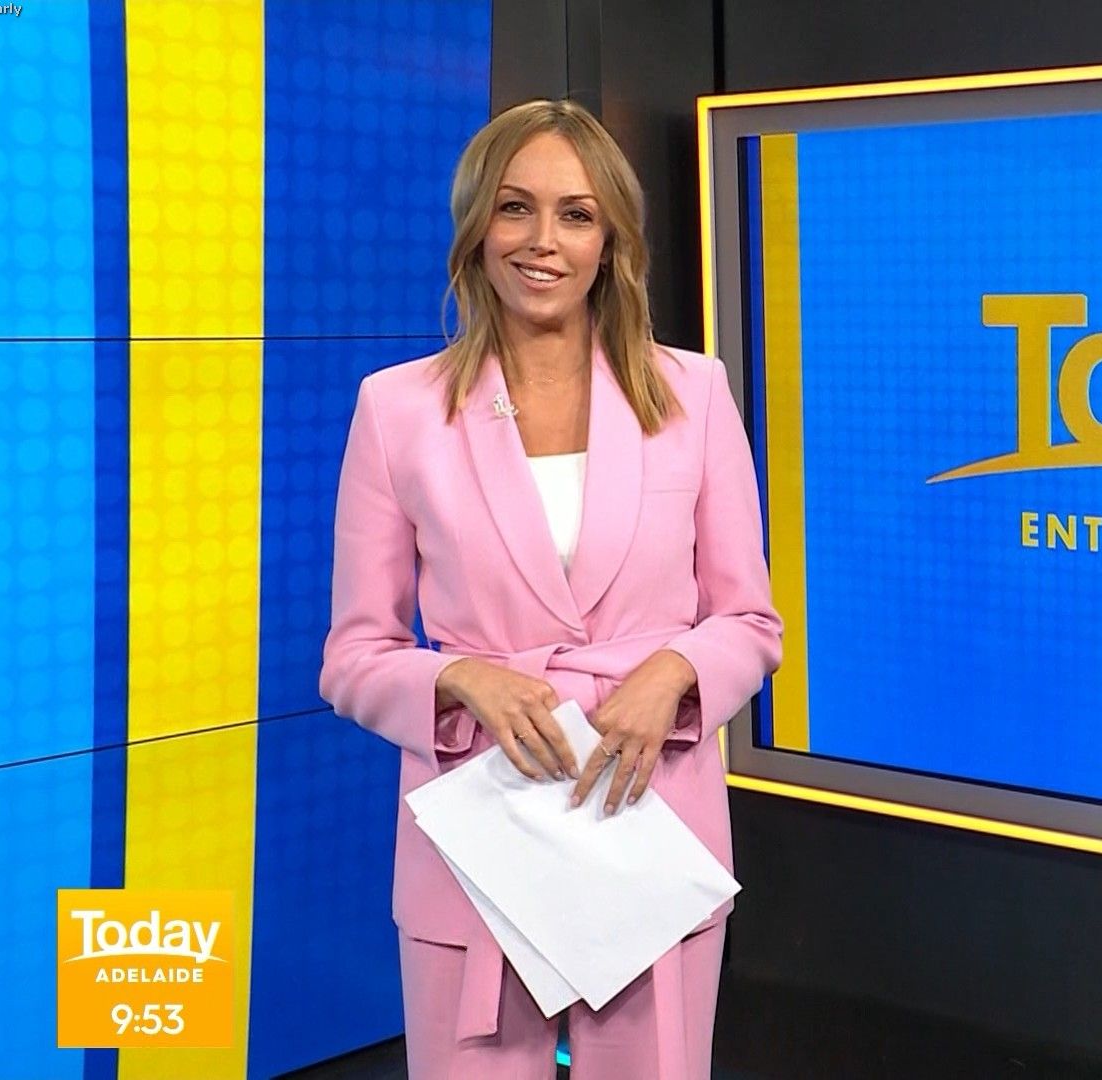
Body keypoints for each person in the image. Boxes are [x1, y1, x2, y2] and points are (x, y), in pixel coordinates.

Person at [319, 98, 782, 1079]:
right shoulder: (397, 410)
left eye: (575, 214)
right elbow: (354, 656)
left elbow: (749, 620)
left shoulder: (693, 393)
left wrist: (675, 673)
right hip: (478, 827)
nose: (543, 241)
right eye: (515, 207)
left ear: (611, 240)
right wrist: (458, 679)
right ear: (476, 225)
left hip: (648, 821)